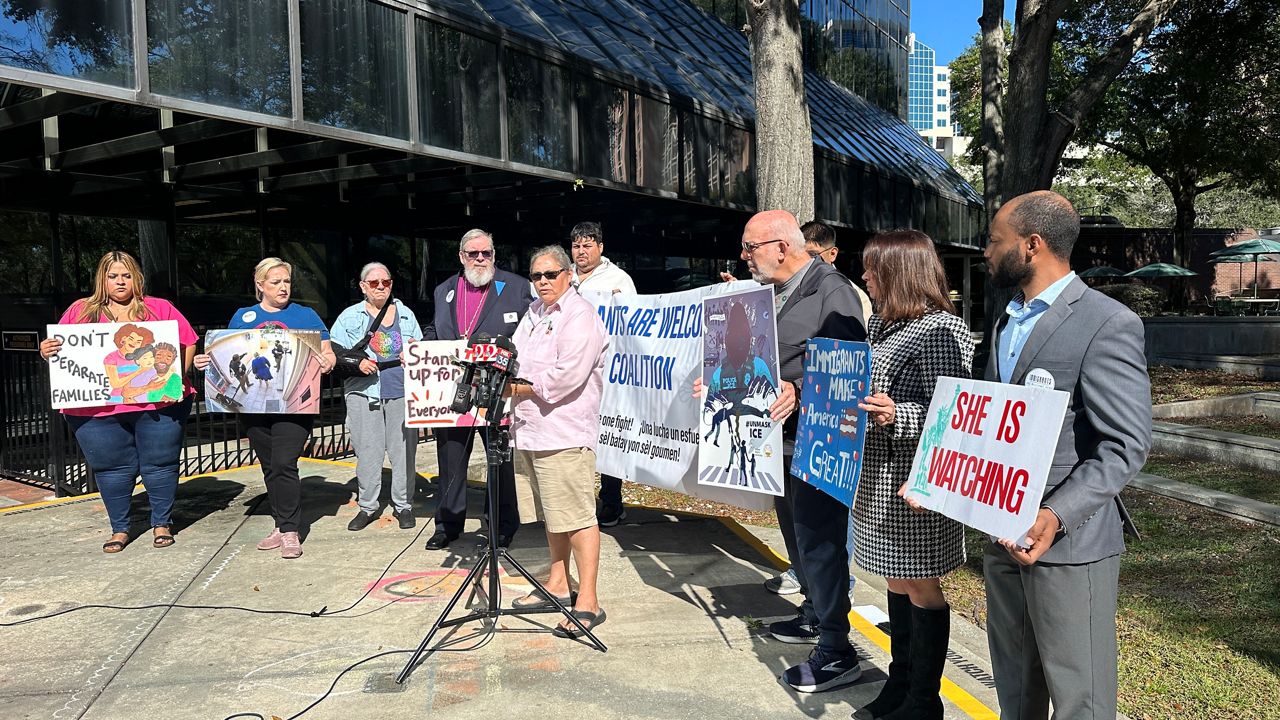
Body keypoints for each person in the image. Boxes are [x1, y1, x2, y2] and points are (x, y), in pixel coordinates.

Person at [982, 191, 1151, 719]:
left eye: (994, 241)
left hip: (1069, 543)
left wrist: (1055, 514)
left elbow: (1125, 444)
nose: (985, 251)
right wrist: (939, 481)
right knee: (1015, 684)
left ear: (1031, 245)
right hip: (999, 531)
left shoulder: (1107, 322)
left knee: (1081, 696)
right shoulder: (1005, 318)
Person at [731, 210, 867, 693]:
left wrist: (799, 388)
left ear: (781, 247)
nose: (745, 256)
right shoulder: (776, 292)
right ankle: (813, 614)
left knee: (820, 542)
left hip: (817, 443)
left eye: (751, 247)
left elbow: (849, 371)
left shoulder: (832, 292)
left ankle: (837, 648)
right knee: (795, 536)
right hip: (780, 443)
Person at [852, 230, 973, 719]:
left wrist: (896, 415)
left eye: (872, 268)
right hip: (876, 480)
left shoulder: (942, 329)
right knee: (896, 582)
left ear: (899, 271)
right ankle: (899, 685)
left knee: (921, 585)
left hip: (913, 482)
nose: (864, 277)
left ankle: (924, 700)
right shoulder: (882, 326)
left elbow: (956, 411)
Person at [39, 251, 197, 553]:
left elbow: (188, 341)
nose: (120, 281)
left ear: (135, 277)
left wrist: (176, 378)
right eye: (113, 276)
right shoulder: (81, 311)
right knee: (110, 468)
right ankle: (120, 528)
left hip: (158, 405)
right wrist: (46, 349)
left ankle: (162, 523)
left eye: (126, 275)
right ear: (103, 279)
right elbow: (58, 348)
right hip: (94, 409)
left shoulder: (158, 308)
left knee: (160, 464)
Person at [195, 257, 336, 559]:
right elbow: (225, 354)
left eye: (287, 281)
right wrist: (204, 361)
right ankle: (280, 521)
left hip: (295, 403)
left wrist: (328, 361)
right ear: (260, 285)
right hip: (253, 405)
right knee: (271, 466)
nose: (284, 287)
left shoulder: (306, 315)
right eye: (276, 282)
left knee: (285, 462)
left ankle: (289, 530)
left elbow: (327, 351)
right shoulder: (243, 316)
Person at [508, 245, 609, 637]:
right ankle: (558, 582)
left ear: (568, 274)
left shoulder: (580, 316)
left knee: (578, 516)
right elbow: (515, 355)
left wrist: (518, 388)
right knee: (554, 514)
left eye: (550, 274)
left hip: (563, 431)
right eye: (536, 276)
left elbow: (568, 376)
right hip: (530, 429)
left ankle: (589, 600)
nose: (543, 282)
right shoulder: (534, 313)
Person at [422, 229, 531, 550]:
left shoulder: (516, 287)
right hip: (453, 390)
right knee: (450, 460)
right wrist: (420, 350)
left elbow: (530, 330)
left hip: (496, 389)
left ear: (494, 256)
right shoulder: (445, 289)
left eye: (486, 253)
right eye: (473, 254)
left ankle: (501, 525)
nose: (480, 259)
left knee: (499, 460)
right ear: (461, 256)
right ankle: (448, 524)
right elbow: (433, 328)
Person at [331, 262, 425, 532]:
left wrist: (414, 354)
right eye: (374, 283)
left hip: (401, 390)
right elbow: (332, 353)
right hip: (364, 391)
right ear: (363, 287)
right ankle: (368, 506)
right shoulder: (349, 317)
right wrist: (356, 363)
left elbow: (419, 348)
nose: (381, 287)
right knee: (368, 452)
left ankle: (403, 505)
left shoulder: (406, 315)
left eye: (386, 282)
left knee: (404, 451)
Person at [568, 221, 637, 528]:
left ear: (600, 248)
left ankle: (611, 502)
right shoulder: (563, 276)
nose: (581, 251)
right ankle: (579, 502)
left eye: (587, 245)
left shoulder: (618, 278)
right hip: (570, 370)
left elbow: (633, 321)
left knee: (609, 436)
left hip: (607, 372)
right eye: (576, 246)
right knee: (575, 438)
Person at [801, 220, 873, 328]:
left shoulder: (855, 295)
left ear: (832, 254)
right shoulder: (790, 286)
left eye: (812, 255)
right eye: (800, 255)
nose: (805, 261)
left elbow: (859, 341)